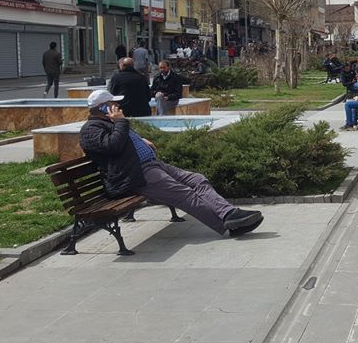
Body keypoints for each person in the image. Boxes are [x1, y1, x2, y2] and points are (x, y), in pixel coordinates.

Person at [79, 90, 263, 237]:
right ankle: (226, 226)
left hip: (151, 166)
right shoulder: (90, 130)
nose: (117, 106)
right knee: (184, 193)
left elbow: (120, 140)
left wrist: (140, 139)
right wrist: (120, 122)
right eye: (113, 103)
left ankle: (229, 213)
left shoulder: (110, 123)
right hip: (134, 176)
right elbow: (112, 146)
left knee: (197, 180)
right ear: (103, 108)